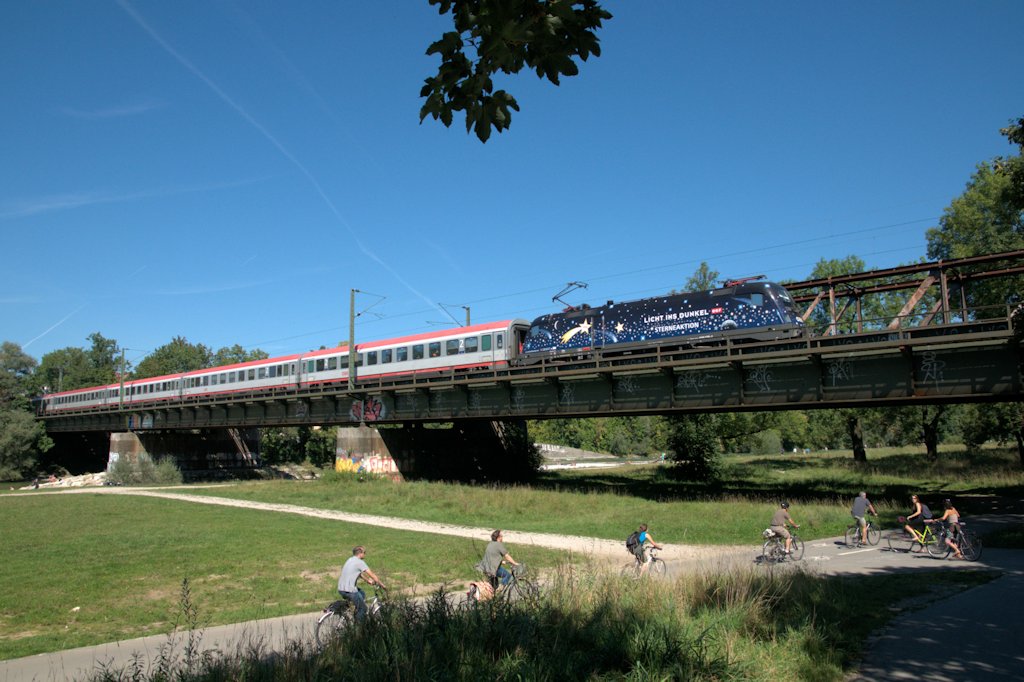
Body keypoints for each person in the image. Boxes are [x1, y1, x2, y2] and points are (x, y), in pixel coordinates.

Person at [336, 545, 385, 621]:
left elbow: (358, 573)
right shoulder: (360, 562)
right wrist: (382, 585)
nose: (365, 554)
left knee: (362, 593)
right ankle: (359, 628)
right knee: (363, 609)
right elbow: (372, 575)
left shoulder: (350, 560)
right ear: (360, 553)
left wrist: (367, 580)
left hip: (341, 588)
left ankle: (355, 611)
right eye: (364, 552)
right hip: (349, 590)